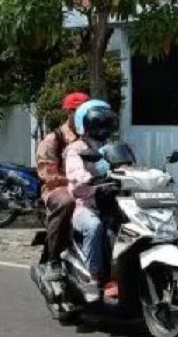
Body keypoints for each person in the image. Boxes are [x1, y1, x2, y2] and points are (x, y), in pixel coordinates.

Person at [65, 99, 121, 303]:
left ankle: (122, 277)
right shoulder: (76, 149)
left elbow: (128, 165)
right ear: (85, 124)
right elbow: (74, 171)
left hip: (113, 203)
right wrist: (85, 177)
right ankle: (93, 277)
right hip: (87, 205)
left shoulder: (113, 147)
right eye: (99, 123)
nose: (103, 128)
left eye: (107, 123)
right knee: (95, 227)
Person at [35, 91, 89, 263]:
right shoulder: (53, 140)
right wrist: (74, 181)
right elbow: (47, 175)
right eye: (79, 112)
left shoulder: (93, 138)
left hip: (89, 187)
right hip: (59, 188)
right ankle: (54, 260)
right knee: (67, 203)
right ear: (69, 113)